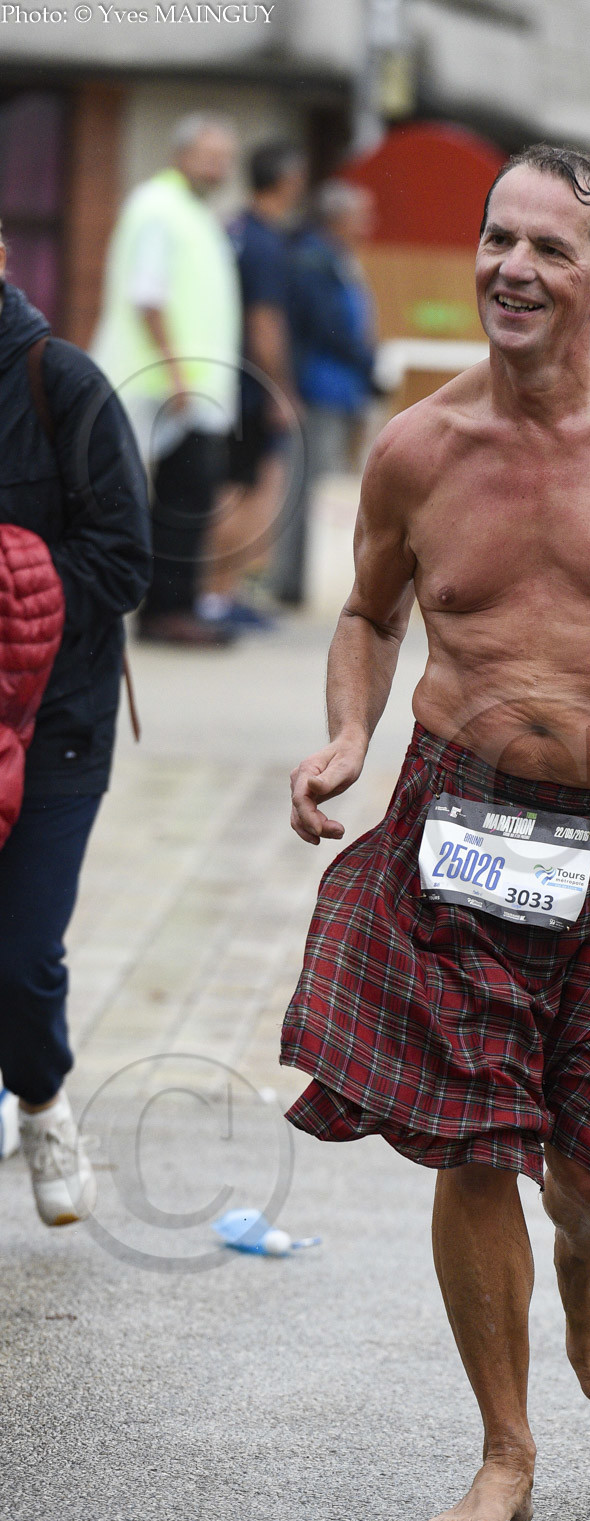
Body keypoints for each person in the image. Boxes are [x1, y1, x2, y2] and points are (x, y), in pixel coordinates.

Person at [283, 144, 590, 1521]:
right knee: (473, 1136)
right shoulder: (421, 447)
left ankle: (583, 1252)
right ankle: (505, 1449)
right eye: (497, 238)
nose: (511, 266)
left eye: (549, 247)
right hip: (461, 819)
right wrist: (348, 731)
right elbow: (370, 611)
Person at [0, 223, 151, 1224]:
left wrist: (15, 579)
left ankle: (40, 1095)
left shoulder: (63, 383)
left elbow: (126, 559)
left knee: (19, 953)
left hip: (56, 720)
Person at [92, 113, 240, 646]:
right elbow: (147, 296)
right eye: (209, 157)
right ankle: (162, 612)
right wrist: (176, 373)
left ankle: (171, 607)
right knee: (166, 502)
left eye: (224, 159)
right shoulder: (158, 207)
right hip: (159, 384)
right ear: (181, 154)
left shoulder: (193, 213)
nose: (218, 168)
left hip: (189, 387)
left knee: (187, 500)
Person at [199, 139, 307, 631]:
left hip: (224, 381)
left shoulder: (233, 228)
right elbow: (265, 322)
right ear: (287, 181)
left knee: (230, 489)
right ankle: (217, 596)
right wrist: (280, 389)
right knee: (245, 492)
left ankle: (222, 593)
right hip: (250, 388)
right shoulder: (266, 242)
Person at [279, 181, 378, 606]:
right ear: (338, 219)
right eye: (362, 216)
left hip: (341, 391)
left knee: (322, 485)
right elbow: (329, 326)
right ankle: (293, 582)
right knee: (310, 485)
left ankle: (306, 577)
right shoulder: (314, 260)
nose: (369, 224)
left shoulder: (337, 259)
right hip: (320, 390)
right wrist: (368, 364)